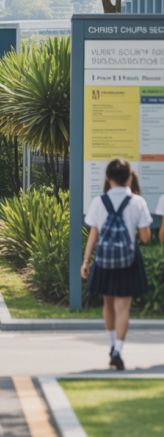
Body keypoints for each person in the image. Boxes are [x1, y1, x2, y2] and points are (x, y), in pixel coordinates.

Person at [81, 159, 152, 371]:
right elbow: (145, 238)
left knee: (108, 305)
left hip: (104, 259)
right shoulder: (137, 202)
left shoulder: (98, 202)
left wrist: (86, 261)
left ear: (107, 177)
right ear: (129, 177)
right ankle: (119, 350)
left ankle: (112, 347)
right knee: (123, 307)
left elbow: (93, 235)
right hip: (129, 259)